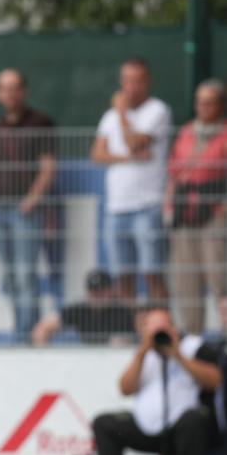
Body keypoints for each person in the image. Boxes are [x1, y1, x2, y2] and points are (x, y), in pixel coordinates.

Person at [92, 307, 221, 455]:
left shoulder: (194, 347)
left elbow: (215, 381)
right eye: (153, 330)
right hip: (146, 428)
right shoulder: (144, 353)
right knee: (104, 423)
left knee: (195, 420)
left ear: (174, 327)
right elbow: (125, 388)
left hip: (181, 429)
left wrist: (178, 355)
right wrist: (143, 352)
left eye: (164, 328)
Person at [0, 69, 58, 341]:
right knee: (11, 275)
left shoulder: (40, 123)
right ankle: (19, 331)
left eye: (15, 87)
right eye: (4, 88)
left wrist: (32, 200)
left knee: (26, 273)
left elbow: (48, 168)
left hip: (25, 210)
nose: (10, 93)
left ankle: (29, 334)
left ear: (23, 91)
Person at [92, 58, 171, 304]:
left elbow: (137, 143)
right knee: (123, 275)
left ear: (147, 82)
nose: (131, 86)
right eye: (127, 80)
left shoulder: (157, 110)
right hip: (116, 207)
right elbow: (97, 154)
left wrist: (123, 114)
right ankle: (132, 328)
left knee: (151, 272)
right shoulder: (109, 117)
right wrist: (128, 157)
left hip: (147, 205)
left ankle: (161, 328)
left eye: (137, 81)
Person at [165, 79, 227, 334]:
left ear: (221, 105)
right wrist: (170, 205)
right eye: (199, 103)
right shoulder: (187, 132)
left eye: (209, 103)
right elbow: (174, 171)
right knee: (186, 281)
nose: (203, 108)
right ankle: (192, 339)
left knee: (220, 278)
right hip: (185, 213)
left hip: (214, 213)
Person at [32, 269, 135, 346]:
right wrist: (47, 358)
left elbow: (122, 345)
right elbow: (42, 329)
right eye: (94, 291)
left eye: (102, 290)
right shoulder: (80, 309)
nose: (97, 295)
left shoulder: (121, 311)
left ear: (111, 290)